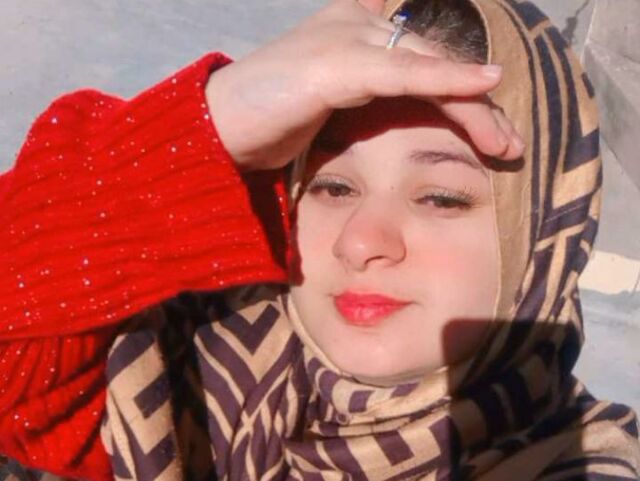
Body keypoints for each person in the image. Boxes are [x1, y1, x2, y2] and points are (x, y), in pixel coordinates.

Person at [0, 0, 638, 480]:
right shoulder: (188, 380)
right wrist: (215, 118)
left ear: (547, 233)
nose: (360, 242)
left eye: (440, 198)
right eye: (332, 186)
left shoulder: (581, 463)